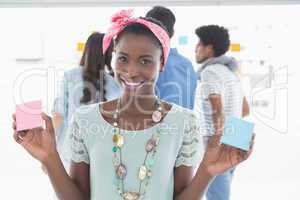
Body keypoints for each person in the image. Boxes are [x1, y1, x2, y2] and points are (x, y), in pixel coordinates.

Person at [12, 10, 253, 200]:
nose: (132, 71)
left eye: (145, 61)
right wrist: (49, 157)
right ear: (113, 57)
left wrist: (207, 172)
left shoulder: (184, 121)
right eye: (123, 58)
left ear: (162, 64)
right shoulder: (85, 119)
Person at [193, 25, 250, 200]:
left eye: (198, 44)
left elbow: (218, 112)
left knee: (217, 196)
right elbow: (245, 110)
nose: (195, 49)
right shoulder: (231, 72)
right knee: (221, 193)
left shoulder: (210, 71)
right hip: (239, 133)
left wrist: (215, 145)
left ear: (209, 48)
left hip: (218, 139)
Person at [52, 32, 122, 166]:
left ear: (86, 50)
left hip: (70, 154)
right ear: (109, 54)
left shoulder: (70, 76)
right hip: (104, 156)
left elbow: (58, 116)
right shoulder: (116, 84)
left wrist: (51, 155)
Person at [146, 6, 197, 109]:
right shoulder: (187, 64)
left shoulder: (152, 64)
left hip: (161, 124)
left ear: (147, 30)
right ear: (172, 32)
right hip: (187, 123)